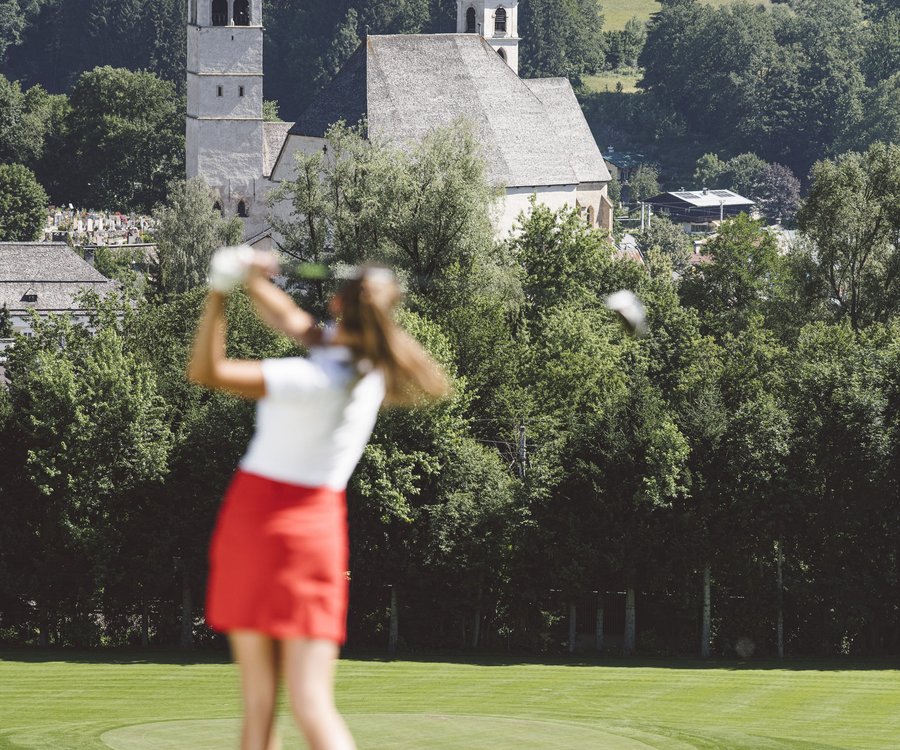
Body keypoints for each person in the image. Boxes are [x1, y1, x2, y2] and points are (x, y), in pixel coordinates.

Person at [188, 247, 449, 750]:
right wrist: (251, 280)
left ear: (335, 304)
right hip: (318, 533)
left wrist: (219, 292)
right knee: (313, 703)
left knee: (261, 708)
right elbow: (292, 320)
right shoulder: (366, 368)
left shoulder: (309, 379)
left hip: (257, 524)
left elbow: (208, 371)